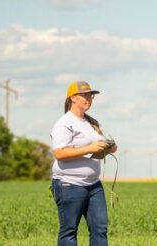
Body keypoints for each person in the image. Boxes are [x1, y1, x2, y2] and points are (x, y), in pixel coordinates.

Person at [50, 81, 117, 246]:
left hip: (93, 185)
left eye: (90, 95)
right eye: (85, 95)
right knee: (69, 232)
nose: (89, 98)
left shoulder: (90, 123)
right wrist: (90, 147)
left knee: (99, 228)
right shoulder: (64, 123)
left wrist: (108, 148)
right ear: (73, 97)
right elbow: (59, 153)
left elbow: (94, 150)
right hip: (69, 184)